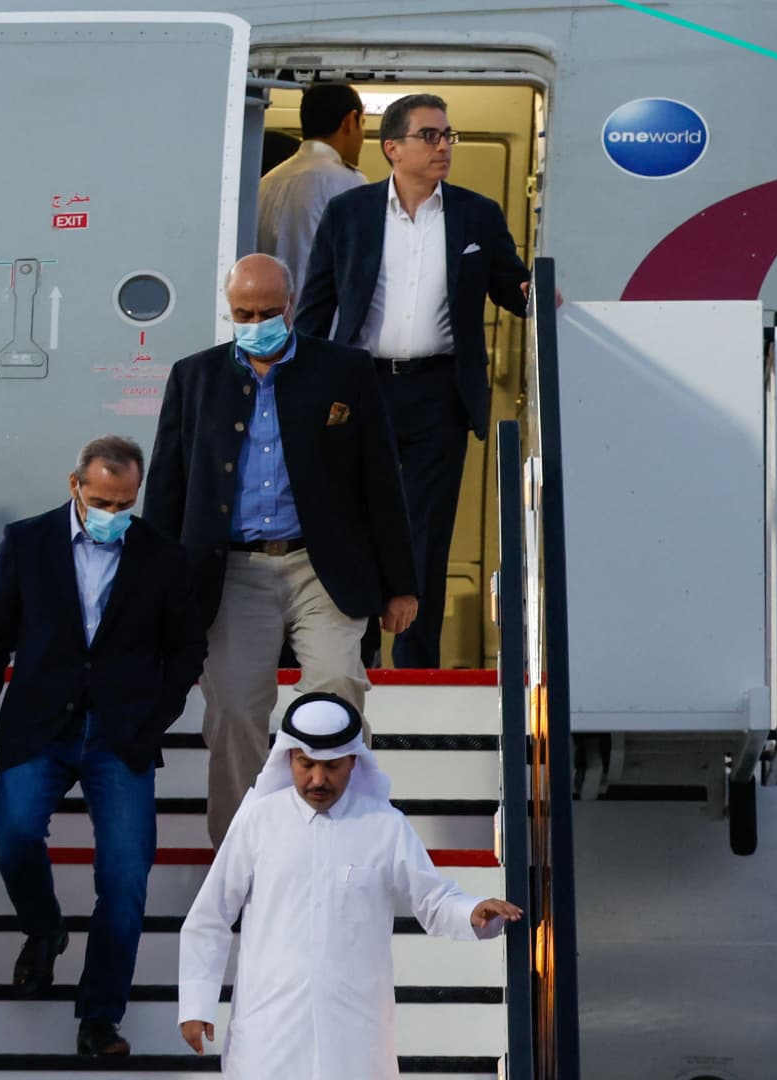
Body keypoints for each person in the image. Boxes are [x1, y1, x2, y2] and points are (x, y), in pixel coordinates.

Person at [146, 253, 416, 846]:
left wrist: (401, 582)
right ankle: (241, 856)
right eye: (243, 312)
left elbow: (381, 479)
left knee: (337, 689)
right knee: (236, 714)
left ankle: (343, 841)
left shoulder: (344, 371)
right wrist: (155, 591)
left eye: (268, 311)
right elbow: (167, 488)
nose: (256, 321)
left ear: (291, 306)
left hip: (322, 567)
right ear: (229, 309)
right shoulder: (195, 377)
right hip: (231, 572)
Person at [0, 435, 208, 1057]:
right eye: (102, 500)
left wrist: (155, 719)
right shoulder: (27, 542)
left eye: (124, 503)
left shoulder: (161, 555)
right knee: (14, 835)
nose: (112, 513)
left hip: (121, 736)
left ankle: (100, 1018)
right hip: (39, 724)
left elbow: (186, 648)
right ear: (75, 485)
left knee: (125, 881)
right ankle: (45, 932)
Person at [296, 93, 535, 669]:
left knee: (426, 530)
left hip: (439, 393)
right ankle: (358, 657)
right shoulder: (349, 213)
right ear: (393, 148)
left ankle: (417, 663)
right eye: (430, 136)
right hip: (361, 389)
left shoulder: (477, 214)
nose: (443, 147)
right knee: (357, 522)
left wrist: (539, 295)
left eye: (448, 136)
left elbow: (511, 285)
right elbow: (316, 305)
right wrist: (302, 385)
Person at [175, 692, 523, 1078]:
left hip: (355, 1032)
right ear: (289, 757)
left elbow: (434, 900)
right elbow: (211, 916)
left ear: (354, 761)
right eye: (306, 765)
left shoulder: (383, 824)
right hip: (268, 1029)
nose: (318, 780)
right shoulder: (258, 820)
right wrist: (196, 1003)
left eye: (332, 766)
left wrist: (471, 911)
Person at [257, 83, 367, 294]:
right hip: (322, 324)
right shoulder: (348, 184)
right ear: (349, 121)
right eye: (362, 123)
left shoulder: (267, 183)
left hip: (272, 321)